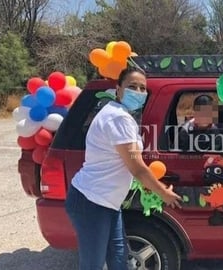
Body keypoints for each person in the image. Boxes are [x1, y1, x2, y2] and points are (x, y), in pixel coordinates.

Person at [65, 67, 182, 270]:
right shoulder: (118, 118)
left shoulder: (120, 115)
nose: (138, 92)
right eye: (132, 87)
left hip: (108, 203)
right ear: (118, 89)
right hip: (91, 201)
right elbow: (137, 168)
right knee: (92, 264)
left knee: (120, 259)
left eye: (142, 88)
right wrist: (163, 193)